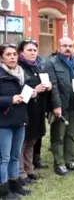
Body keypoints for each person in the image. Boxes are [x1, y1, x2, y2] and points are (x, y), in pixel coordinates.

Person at [45, 37, 74, 176]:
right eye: (64, 45)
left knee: (71, 134)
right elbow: (53, 86)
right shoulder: (51, 63)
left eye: (70, 46)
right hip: (60, 104)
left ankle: (70, 160)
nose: (68, 48)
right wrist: (56, 106)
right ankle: (59, 163)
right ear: (58, 47)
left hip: (73, 104)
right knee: (58, 136)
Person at [0, 43, 32, 198]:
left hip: (20, 120)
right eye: (8, 54)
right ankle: (4, 190)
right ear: (1, 58)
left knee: (15, 155)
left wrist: (30, 95)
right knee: (4, 158)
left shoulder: (22, 74)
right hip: (4, 122)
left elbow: (23, 94)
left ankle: (15, 185)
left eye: (14, 54)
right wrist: (10, 99)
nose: (12, 57)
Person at [17, 39, 51, 185]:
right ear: (22, 52)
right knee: (23, 142)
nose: (32, 53)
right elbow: (18, 91)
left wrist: (48, 87)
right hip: (24, 109)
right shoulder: (19, 68)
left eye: (34, 50)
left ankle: (29, 168)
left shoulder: (37, 67)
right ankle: (20, 172)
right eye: (29, 50)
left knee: (32, 139)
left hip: (37, 109)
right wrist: (34, 90)